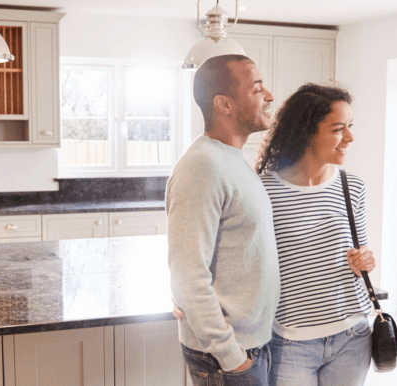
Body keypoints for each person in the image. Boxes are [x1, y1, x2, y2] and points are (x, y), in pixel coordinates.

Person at [166, 54, 280, 386]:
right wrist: (232, 358)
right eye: (257, 88)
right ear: (224, 104)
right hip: (225, 357)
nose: (269, 95)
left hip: (248, 347)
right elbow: (188, 274)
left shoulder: (231, 160)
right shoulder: (202, 166)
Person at [255, 83, 376, 386]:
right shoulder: (263, 191)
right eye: (338, 129)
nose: (349, 137)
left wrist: (365, 261)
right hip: (291, 341)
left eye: (349, 127)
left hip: (353, 335)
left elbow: (360, 260)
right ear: (307, 131)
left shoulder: (353, 186)